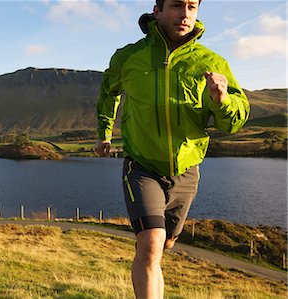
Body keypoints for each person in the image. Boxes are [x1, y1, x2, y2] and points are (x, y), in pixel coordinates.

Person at [94, 0, 250, 298]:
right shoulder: (130, 57)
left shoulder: (212, 63)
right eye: (177, 5)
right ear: (158, 11)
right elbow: (108, 92)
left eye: (192, 7)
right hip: (141, 165)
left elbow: (233, 123)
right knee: (152, 242)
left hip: (186, 171)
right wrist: (105, 133)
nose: (185, 13)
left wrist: (222, 100)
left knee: (163, 246)